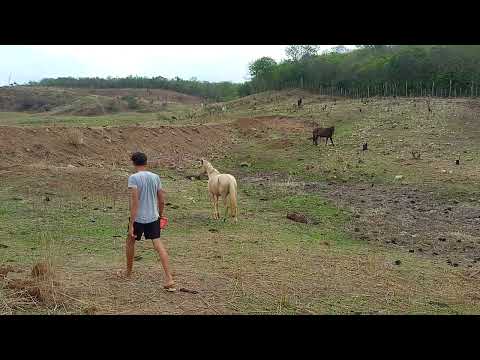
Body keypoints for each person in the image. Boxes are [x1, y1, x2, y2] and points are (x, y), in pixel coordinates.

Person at [121, 152, 175, 291]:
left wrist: (131, 224)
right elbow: (161, 199)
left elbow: (135, 203)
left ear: (133, 163)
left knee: (130, 241)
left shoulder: (133, 178)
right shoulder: (155, 177)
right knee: (158, 245)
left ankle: (128, 272)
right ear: (146, 162)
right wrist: (160, 215)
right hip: (153, 217)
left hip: (138, 218)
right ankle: (169, 278)